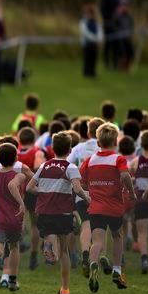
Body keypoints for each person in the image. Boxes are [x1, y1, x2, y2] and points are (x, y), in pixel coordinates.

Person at [26, 132, 90, 294]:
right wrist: (87, 198)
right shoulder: (71, 167)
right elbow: (77, 189)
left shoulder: (44, 166)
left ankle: (49, 245)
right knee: (65, 252)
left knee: (49, 234)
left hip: (45, 211)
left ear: (52, 149)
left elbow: (29, 187)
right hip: (63, 213)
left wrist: (44, 192)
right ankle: (65, 288)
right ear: (70, 150)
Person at [80, 123, 136, 292]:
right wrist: (131, 192)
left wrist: (93, 190)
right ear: (115, 141)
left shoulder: (90, 161)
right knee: (117, 236)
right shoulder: (118, 159)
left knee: (96, 241)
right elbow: (125, 175)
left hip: (96, 207)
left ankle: (93, 265)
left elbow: (82, 182)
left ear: (98, 142)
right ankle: (117, 271)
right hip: (114, 207)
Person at [0, 142, 26, 291]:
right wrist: (21, 204)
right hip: (14, 218)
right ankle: (13, 281)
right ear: (16, 158)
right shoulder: (19, 175)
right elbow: (11, 186)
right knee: (14, 247)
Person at [66, 117, 104, 277]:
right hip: (103, 193)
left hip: (83, 192)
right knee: (100, 227)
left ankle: (85, 254)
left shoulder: (79, 147)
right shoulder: (105, 149)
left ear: (88, 132)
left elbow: (67, 164)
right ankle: (99, 257)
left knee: (86, 224)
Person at [129, 130, 148, 273]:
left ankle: (145, 258)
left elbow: (131, 177)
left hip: (141, 201)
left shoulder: (136, 161)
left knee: (141, 233)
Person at [16, 127, 46, 270]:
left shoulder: (14, 153)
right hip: (32, 191)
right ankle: (33, 256)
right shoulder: (37, 151)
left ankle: (18, 244)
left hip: (16, 191)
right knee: (35, 225)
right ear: (34, 139)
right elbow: (39, 167)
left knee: (17, 220)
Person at [100, 0, 124, 70]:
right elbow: (103, 8)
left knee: (117, 44)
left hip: (119, 23)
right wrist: (107, 19)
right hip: (109, 22)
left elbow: (124, 6)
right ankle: (107, 64)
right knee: (108, 44)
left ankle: (115, 64)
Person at [79, 4, 103, 77]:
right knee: (87, 58)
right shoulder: (84, 21)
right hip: (87, 43)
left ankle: (92, 72)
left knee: (93, 58)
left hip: (94, 43)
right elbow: (84, 31)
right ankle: (86, 72)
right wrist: (93, 37)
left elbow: (99, 31)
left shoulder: (96, 22)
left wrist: (99, 38)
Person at [113, 0, 134, 72]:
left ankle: (127, 67)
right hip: (120, 38)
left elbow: (131, 25)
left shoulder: (129, 15)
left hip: (128, 37)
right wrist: (119, 32)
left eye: (126, 4)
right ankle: (122, 67)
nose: (125, 6)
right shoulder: (117, 15)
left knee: (130, 52)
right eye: (123, 4)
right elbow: (114, 25)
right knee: (122, 53)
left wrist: (130, 33)